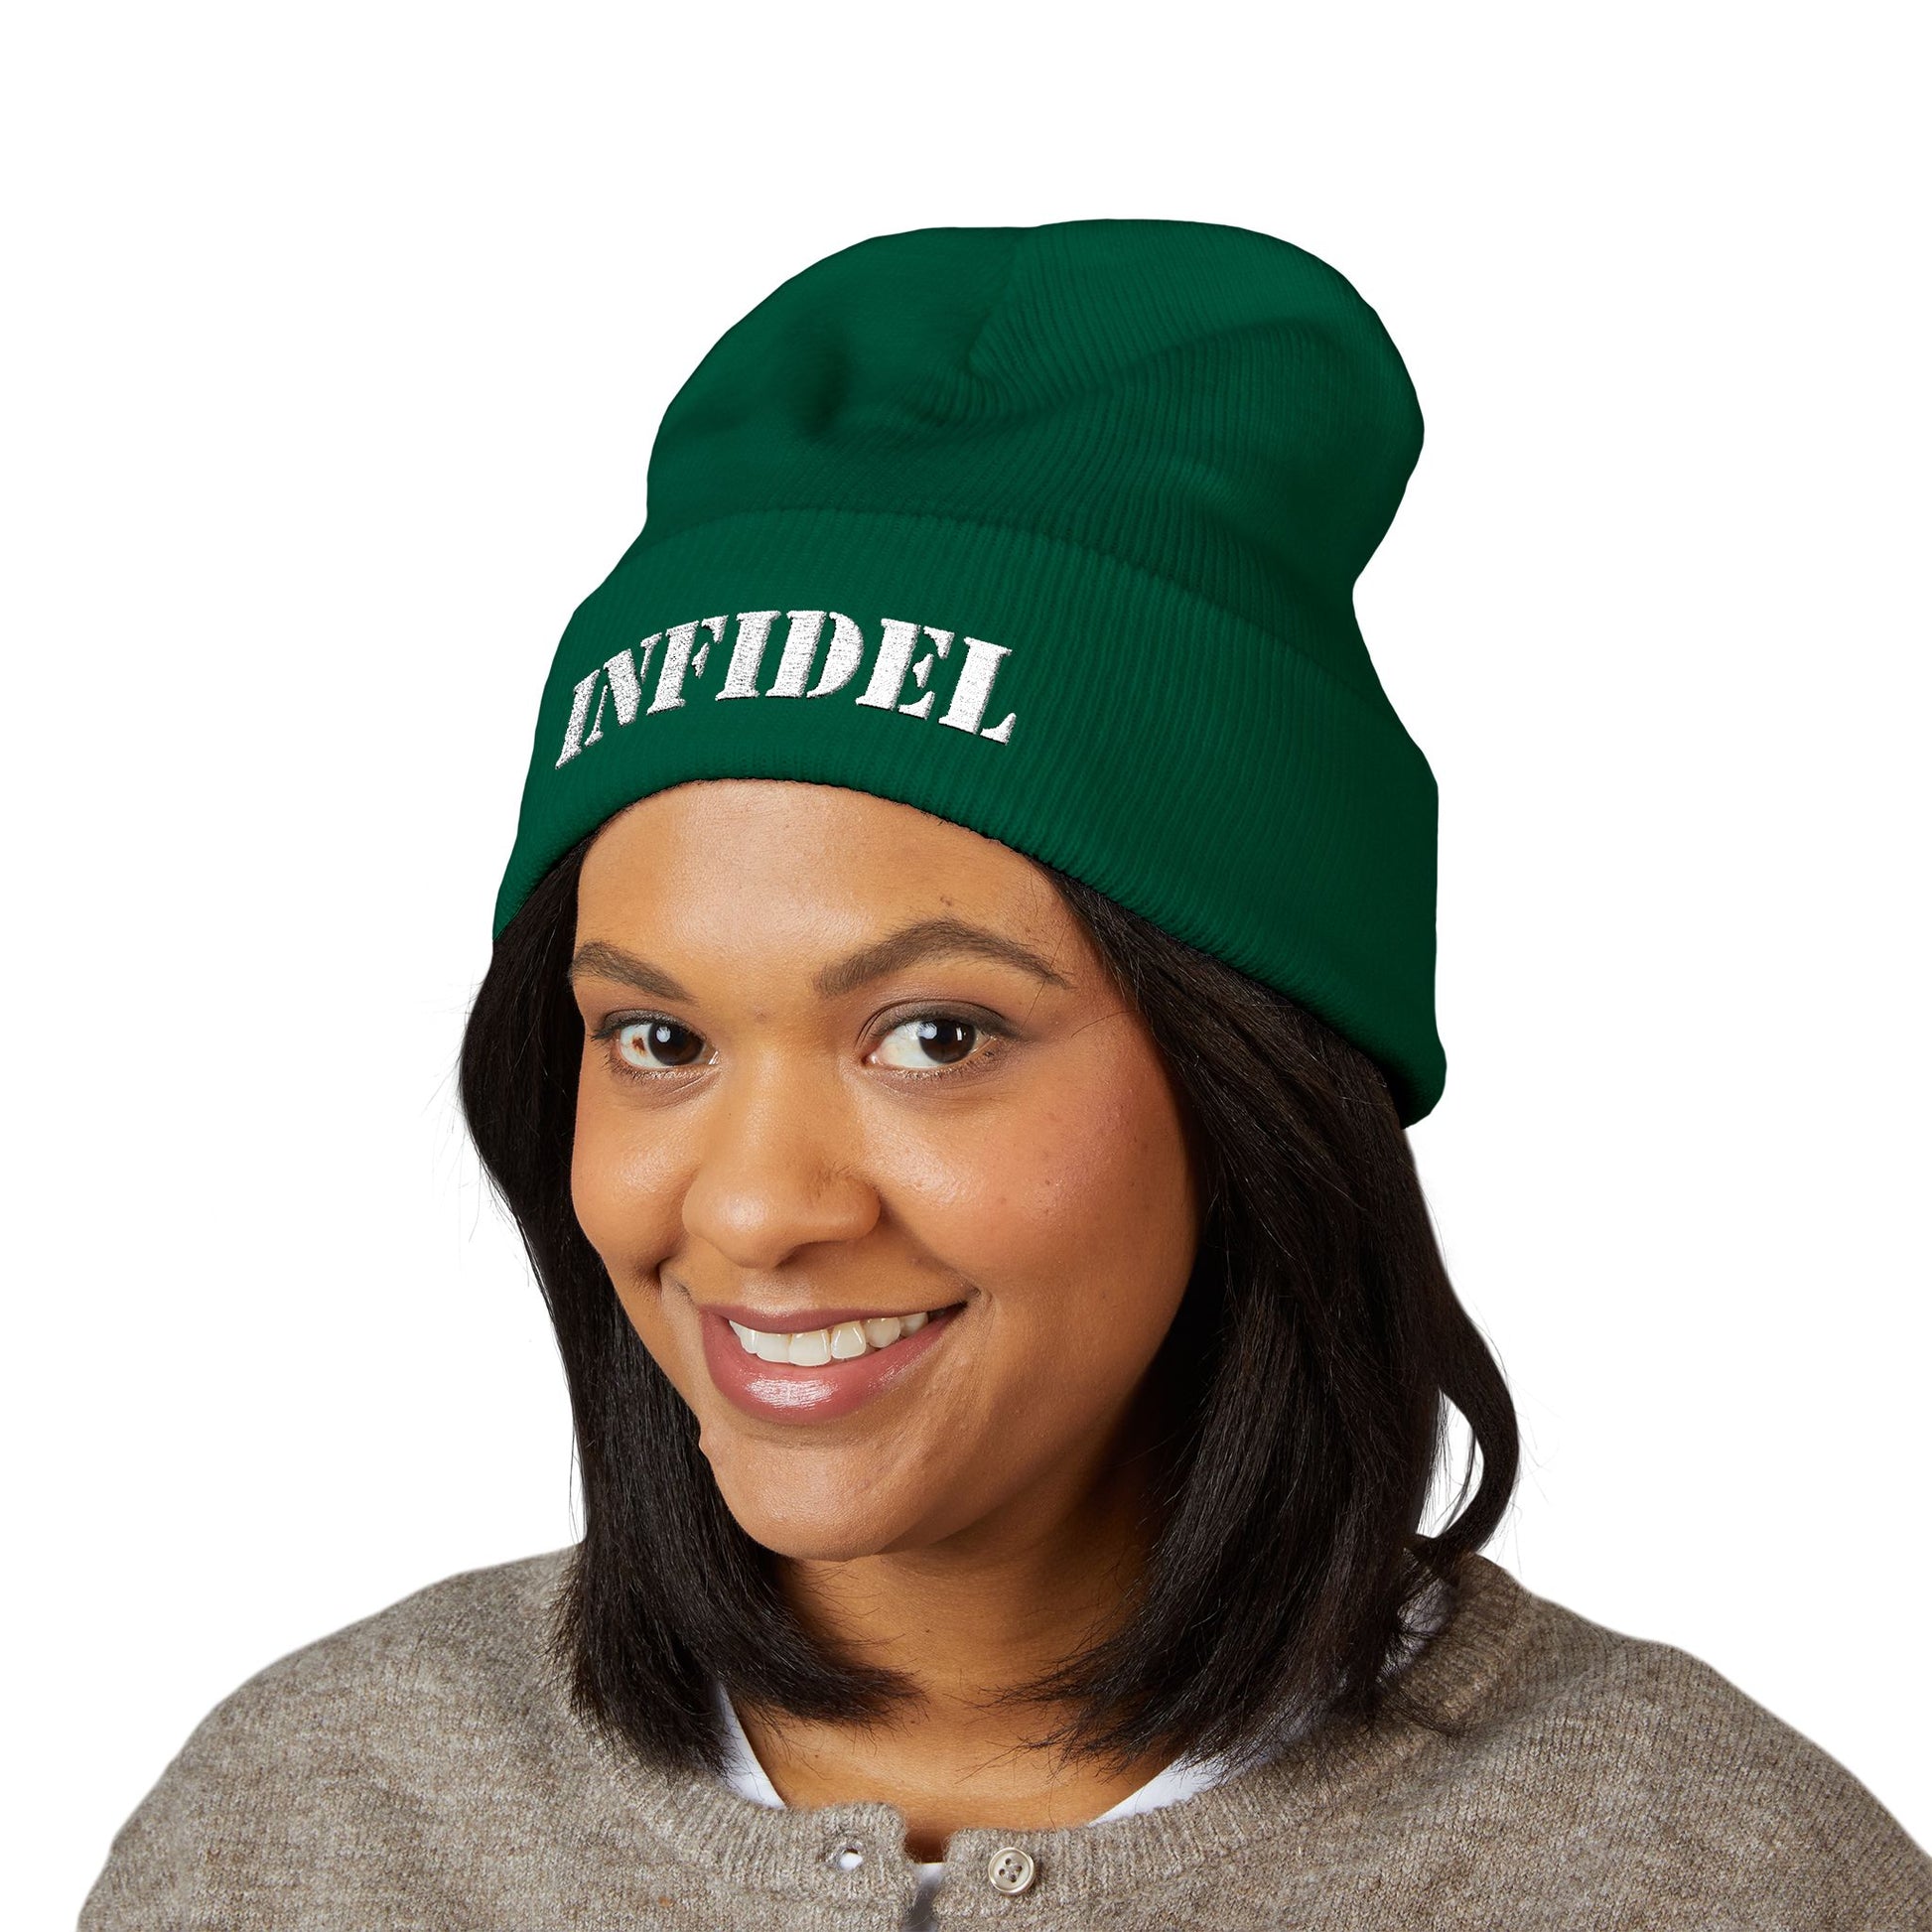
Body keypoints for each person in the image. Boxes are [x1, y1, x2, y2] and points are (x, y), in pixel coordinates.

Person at [79, 217, 1930, 1930]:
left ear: (1256, 1090)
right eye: (658, 1038)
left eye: (935, 1036)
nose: (755, 1206)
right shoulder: (316, 1825)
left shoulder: (1701, 1874)